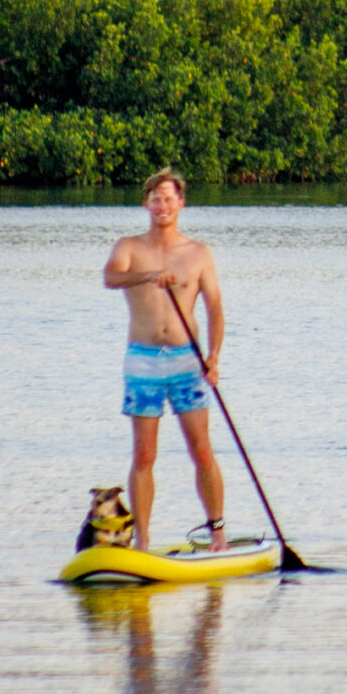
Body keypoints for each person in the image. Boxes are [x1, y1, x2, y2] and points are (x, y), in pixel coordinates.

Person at [102, 167, 226, 553]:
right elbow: (110, 277)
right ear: (146, 204)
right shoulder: (129, 246)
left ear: (181, 204)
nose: (163, 205)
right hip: (142, 361)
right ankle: (143, 541)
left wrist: (214, 357)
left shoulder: (199, 253)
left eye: (169, 198)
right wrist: (149, 274)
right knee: (143, 453)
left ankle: (217, 533)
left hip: (187, 361)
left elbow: (216, 308)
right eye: (156, 198)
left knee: (202, 449)